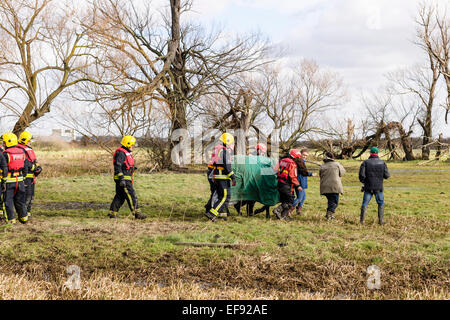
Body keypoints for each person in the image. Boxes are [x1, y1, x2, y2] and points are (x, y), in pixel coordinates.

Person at [109, 135, 147, 219]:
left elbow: (124, 165)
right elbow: (118, 166)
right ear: (127, 144)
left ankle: (112, 213)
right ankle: (137, 213)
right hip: (124, 179)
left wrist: (132, 168)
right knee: (131, 195)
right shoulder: (121, 153)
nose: (133, 146)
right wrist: (121, 179)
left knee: (120, 196)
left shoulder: (125, 152)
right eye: (132, 145)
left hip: (125, 178)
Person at [205, 133, 236, 222]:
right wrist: (232, 177)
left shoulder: (220, 150)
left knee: (225, 195)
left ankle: (223, 214)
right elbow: (227, 166)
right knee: (224, 196)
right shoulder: (224, 151)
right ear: (227, 142)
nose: (233, 145)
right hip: (222, 177)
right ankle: (212, 213)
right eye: (232, 143)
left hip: (219, 176)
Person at [1, 133, 28, 224]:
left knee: (7, 201)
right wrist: (23, 177)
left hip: (9, 181)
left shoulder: (5, 154)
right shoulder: (22, 152)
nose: (3, 144)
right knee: (20, 200)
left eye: (4, 142)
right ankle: (24, 218)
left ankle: (11, 220)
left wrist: (3, 181)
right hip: (20, 180)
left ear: (8, 142)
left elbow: (4, 168)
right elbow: (26, 167)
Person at [359, 147, 390, 225]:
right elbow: (387, 176)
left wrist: (364, 182)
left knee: (364, 204)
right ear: (377, 153)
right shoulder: (382, 163)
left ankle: (362, 221)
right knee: (381, 203)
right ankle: (381, 221)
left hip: (368, 187)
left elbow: (361, 175)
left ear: (370, 153)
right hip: (379, 187)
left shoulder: (365, 162)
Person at [17, 132, 42, 219]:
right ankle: (23, 215)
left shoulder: (28, 149)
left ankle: (28, 214)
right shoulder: (20, 149)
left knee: (30, 196)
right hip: (25, 177)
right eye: (29, 141)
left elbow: (34, 160)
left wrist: (39, 168)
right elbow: (25, 162)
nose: (30, 143)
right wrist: (34, 168)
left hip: (31, 177)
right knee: (26, 196)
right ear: (24, 141)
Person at [273, 149, 302, 221]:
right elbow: (293, 176)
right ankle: (278, 210)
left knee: (284, 200)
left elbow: (275, 170)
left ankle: (284, 216)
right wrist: (298, 185)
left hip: (279, 183)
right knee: (290, 200)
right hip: (287, 184)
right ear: (296, 157)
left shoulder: (282, 160)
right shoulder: (292, 164)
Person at [319, 152, 346, 220]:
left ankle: (329, 215)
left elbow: (320, 175)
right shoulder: (337, 164)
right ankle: (329, 213)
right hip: (334, 186)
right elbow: (342, 173)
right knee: (335, 202)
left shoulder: (322, 166)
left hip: (324, 186)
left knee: (330, 201)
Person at [292, 148, 314, 215]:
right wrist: (310, 174)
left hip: (302, 182)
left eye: (306, 155)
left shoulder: (302, 161)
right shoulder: (299, 162)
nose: (304, 156)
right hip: (299, 182)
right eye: (303, 155)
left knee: (303, 197)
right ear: (300, 154)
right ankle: (288, 210)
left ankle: (299, 210)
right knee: (299, 198)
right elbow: (302, 172)